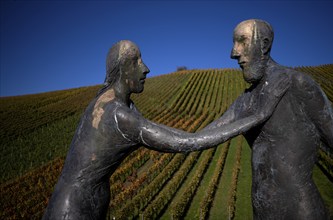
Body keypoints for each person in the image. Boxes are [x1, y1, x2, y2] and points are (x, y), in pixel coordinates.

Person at [42, 40, 288, 219]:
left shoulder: (112, 102)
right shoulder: (119, 116)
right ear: (123, 69)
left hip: (82, 204)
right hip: (73, 210)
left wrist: (233, 114)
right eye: (136, 61)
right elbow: (187, 143)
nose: (146, 68)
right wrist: (258, 115)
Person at [203, 19, 333, 219]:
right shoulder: (245, 101)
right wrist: (151, 128)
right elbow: (192, 140)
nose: (233, 53)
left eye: (242, 41)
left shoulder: (297, 84)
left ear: (264, 45)